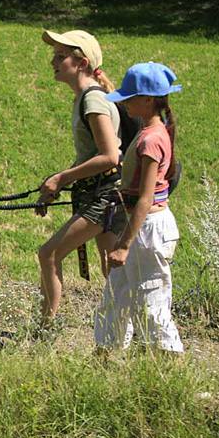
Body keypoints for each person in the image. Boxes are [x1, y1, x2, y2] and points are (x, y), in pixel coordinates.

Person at [36, 30, 127, 328]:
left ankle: (45, 328)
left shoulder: (93, 101)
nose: (53, 61)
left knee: (49, 254)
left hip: (104, 197)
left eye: (61, 56)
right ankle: (127, 330)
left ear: (82, 63)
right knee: (111, 268)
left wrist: (62, 178)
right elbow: (94, 155)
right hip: (103, 193)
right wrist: (56, 182)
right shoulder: (85, 98)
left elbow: (110, 156)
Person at [94, 62, 184, 353]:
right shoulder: (151, 130)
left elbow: (145, 198)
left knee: (151, 302)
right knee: (116, 295)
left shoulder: (151, 140)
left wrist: (123, 245)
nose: (125, 103)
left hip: (147, 230)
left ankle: (170, 366)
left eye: (130, 97)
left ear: (148, 100)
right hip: (138, 226)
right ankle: (104, 357)